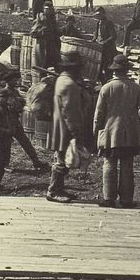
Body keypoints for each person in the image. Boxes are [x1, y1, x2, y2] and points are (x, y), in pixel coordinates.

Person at [93, 55, 140, 208]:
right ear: (127, 70)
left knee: (109, 163)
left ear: (114, 71)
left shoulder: (106, 88)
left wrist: (96, 130)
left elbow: (99, 114)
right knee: (127, 165)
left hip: (110, 132)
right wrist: (138, 123)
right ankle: (126, 199)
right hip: (129, 133)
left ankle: (108, 198)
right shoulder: (135, 87)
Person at [47, 53, 86, 203]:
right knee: (61, 160)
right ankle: (53, 191)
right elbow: (70, 112)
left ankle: (59, 189)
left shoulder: (60, 80)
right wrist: (76, 132)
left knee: (60, 157)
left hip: (58, 126)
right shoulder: (70, 85)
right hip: (66, 128)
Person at [30, 1, 60, 71]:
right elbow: (33, 33)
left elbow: (55, 33)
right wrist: (43, 30)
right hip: (42, 48)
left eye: (50, 9)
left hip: (52, 48)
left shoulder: (53, 20)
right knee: (42, 68)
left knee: (52, 69)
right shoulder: (40, 18)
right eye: (46, 9)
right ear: (44, 9)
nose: (48, 11)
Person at [93, 6, 118, 79]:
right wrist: (94, 39)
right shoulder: (98, 23)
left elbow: (114, 36)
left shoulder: (108, 23)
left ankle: (107, 84)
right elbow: (96, 34)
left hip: (108, 51)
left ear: (104, 14)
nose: (98, 16)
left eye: (100, 14)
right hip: (100, 50)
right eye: (97, 14)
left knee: (108, 69)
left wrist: (104, 42)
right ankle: (103, 84)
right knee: (98, 69)